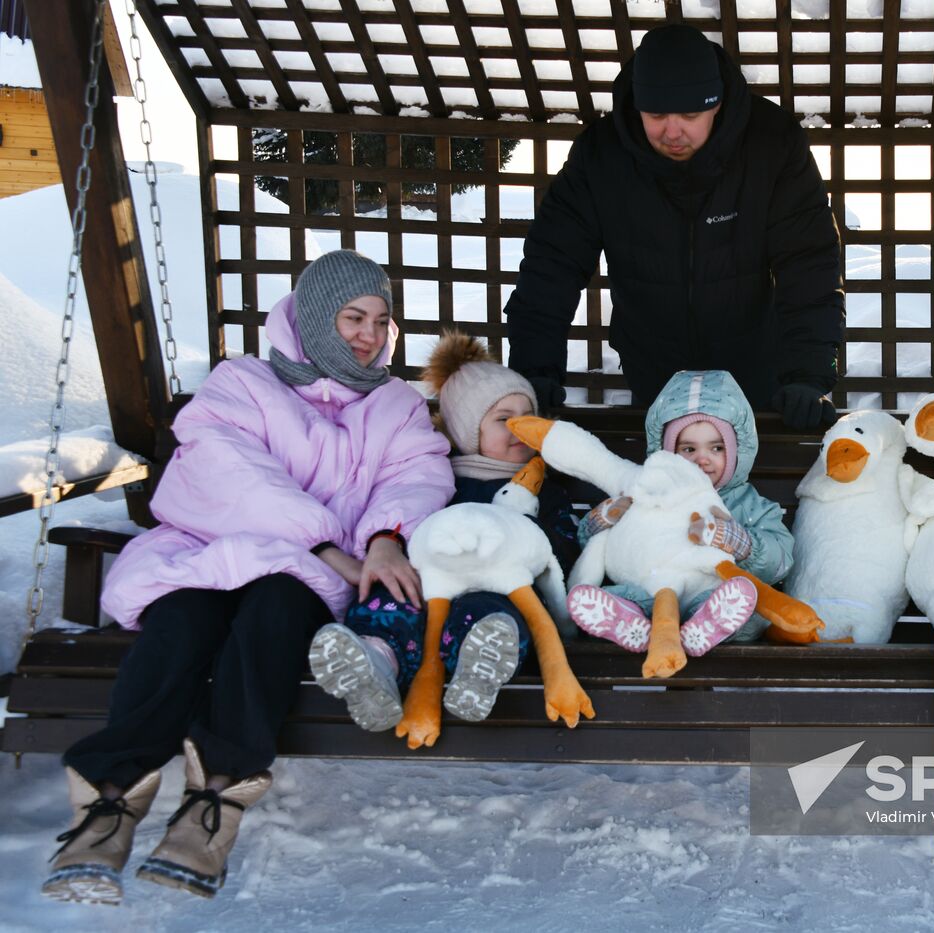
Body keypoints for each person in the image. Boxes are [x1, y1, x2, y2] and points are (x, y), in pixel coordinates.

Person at [43, 251, 455, 905]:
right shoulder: (242, 382)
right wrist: (324, 541)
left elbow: (418, 471)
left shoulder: (396, 404)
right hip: (208, 550)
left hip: (304, 577)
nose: (369, 335)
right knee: (181, 625)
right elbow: (224, 468)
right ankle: (106, 805)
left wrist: (385, 537)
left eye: (381, 321)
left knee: (274, 615)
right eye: (353, 317)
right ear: (315, 317)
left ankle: (213, 807)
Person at [505, 23, 844, 429]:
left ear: (717, 104)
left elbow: (808, 263)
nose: (672, 132)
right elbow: (552, 265)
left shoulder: (773, 145)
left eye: (689, 115)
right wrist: (534, 369)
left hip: (756, 369)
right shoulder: (601, 157)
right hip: (654, 370)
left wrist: (808, 375)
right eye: (656, 114)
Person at [308, 332, 579, 731]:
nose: (520, 427)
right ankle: (376, 659)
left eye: (529, 416)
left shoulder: (544, 490)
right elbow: (410, 522)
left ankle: (478, 666)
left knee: (494, 611)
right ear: (467, 429)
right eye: (503, 419)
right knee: (395, 596)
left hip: (502, 586)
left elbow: (563, 550)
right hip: (431, 584)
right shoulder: (441, 480)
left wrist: (535, 537)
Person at [566, 369, 793, 654]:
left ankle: (707, 624)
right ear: (667, 452)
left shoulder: (748, 505)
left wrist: (742, 544)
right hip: (652, 590)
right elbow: (601, 545)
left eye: (716, 448)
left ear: (737, 450)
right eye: (688, 449)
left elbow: (781, 560)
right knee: (623, 597)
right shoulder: (649, 488)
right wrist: (603, 519)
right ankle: (627, 620)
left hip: (713, 595)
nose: (702, 459)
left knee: (746, 607)